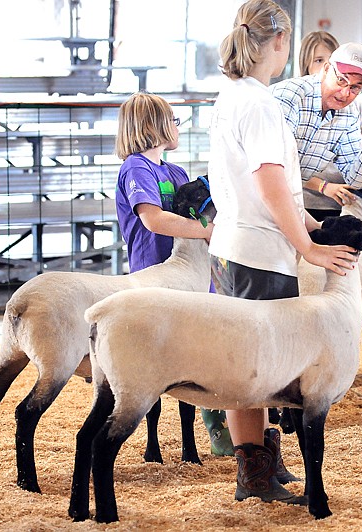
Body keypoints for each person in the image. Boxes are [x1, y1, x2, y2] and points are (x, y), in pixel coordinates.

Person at [208, 0, 358, 505]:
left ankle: (262, 464)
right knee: (256, 367)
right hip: (258, 252)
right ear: (281, 42)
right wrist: (309, 248)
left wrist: (312, 222)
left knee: (248, 362)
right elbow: (270, 184)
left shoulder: (235, 93)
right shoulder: (261, 103)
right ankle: (254, 476)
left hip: (234, 244)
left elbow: (267, 190)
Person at [114, 90, 233, 455]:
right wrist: (205, 231)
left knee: (192, 356)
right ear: (155, 126)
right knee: (155, 359)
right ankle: (152, 442)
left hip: (195, 276)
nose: (177, 127)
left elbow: (202, 211)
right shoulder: (136, 167)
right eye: (173, 120)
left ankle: (198, 439)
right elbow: (152, 218)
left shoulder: (176, 171)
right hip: (155, 273)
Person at [270, 41, 362, 385]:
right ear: (324, 69)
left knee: (285, 298)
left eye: (356, 87)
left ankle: (284, 384)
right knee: (262, 301)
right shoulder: (288, 97)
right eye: (342, 81)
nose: (347, 92)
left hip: (292, 204)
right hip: (260, 206)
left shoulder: (352, 113)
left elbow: (355, 177)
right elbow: (271, 169)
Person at [298, 30, 362, 130]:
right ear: (306, 65)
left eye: (332, 60)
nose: (326, 67)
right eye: (318, 60)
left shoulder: (357, 107)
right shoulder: (296, 100)